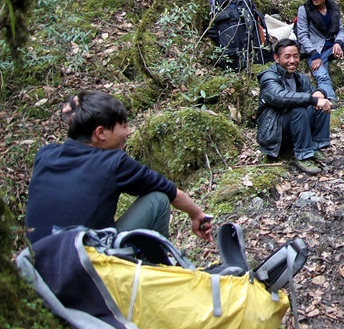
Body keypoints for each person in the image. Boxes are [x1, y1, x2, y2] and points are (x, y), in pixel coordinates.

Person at [25, 91, 213, 244]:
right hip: (86, 269)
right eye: (123, 126)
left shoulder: (45, 154)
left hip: (38, 272)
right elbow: (169, 191)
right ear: (101, 132)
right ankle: (156, 273)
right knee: (158, 200)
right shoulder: (113, 162)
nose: (128, 131)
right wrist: (197, 214)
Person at [256, 38, 333, 175]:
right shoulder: (268, 77)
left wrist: (319, 93)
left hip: (295, 129)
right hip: (275, 134)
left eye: (296, 56)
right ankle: (303, 155)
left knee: (320, 101)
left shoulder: (300, 78)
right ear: (276, 58)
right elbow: (278, 97)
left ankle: (315, 146)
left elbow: (312, 93)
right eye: (287, 56)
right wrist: (312, 99)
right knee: (299, 107)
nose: (292, 60)